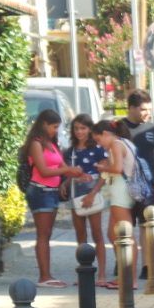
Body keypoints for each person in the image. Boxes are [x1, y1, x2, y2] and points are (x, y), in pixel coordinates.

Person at [21, 109, 84, 288]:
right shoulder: (36, 143)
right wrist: (67, 171)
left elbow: (63, 165)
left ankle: (47, 275)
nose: (56, 130)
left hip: (51, 191)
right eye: (54, 127)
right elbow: (44, 170)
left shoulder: (51, 143)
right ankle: (44, 276)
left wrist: (77, 172)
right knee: (43, 235)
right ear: (44, 124)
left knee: (47, 234)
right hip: (40, 191)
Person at [62, 114, 110, 287]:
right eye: (76, 128)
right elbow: (68, 171)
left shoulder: (97, 149)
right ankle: (84, 273)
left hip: (93, 195)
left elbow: (104, 174)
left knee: (97, 234)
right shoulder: (70, 151)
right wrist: (66, 182)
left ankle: (102, 275)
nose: (79, 132)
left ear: (90, 129)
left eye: (83, 128)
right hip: (76, 196)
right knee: (80, 235)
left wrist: (92, 194)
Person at [92, 119, 140, 288]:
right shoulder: (125, 142)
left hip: (120, 192)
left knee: (126, 236)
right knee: (113, 235)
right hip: (121, 191)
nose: (99, 145)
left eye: (98, 140)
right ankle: (124, 275)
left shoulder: (116, 144)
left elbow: (118, 169)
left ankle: (130, 279)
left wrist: (102, 167)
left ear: (106, 134)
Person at [122, 89, 154, 233]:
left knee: (150, 228)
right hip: (126, 186)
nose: (147, 113)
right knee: (126, 229)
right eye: (143, 109)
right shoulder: (119, 127)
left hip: (150, 186)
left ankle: (149, 256)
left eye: (149, 109)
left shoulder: (151, 127)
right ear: (131, 108)